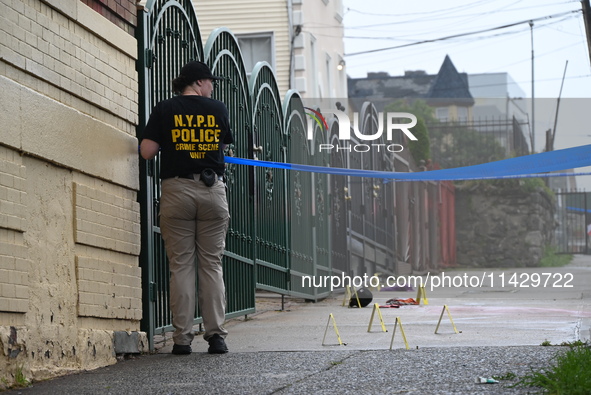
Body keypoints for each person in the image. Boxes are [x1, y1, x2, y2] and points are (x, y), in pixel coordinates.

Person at [140, 61, 233, 355]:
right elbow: (225, 145)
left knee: (181, 265)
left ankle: (182, 339)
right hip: (211, 190)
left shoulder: (165, 108)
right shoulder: (216, 109)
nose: (212, 87)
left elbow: (146, 152)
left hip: (176, 190)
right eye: (210, 82)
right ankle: (216, 336)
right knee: (211, 264)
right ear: (198, 82)